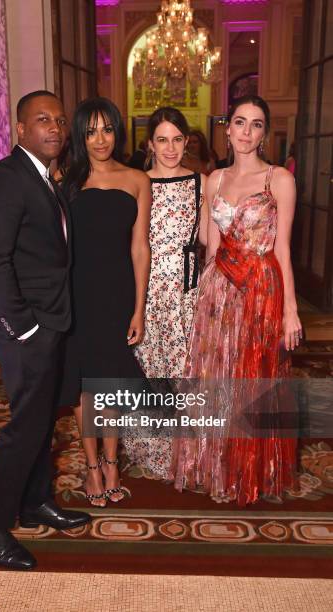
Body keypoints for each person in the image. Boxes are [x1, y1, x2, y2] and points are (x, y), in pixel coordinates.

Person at [0, 90, 91, 570]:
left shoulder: (44, 178)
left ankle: (34, 500)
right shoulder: (3, 179)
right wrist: (22, 327)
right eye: (43, 120)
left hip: (51, 318)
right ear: (20, 128)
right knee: (25, 427)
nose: (56, 129)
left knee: (43, 421)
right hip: (23, 325)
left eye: (60, 121)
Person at [170, 95, 301, 506]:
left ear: (264, 132)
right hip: (218, 287)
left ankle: (251, 469)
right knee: (217, 374)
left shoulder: (278, 179)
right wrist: (201, 298)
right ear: (227, 128)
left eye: (256, 124)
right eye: (240, 123)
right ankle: (218, 464)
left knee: (252, 378)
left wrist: (291, 311)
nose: (246, 132)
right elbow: (210, 245)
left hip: (261, 287)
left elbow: (283, 251)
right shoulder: (215, 180)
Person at [60, 97, 151, 507]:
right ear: (80, 134)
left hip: (117, 294)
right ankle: (92, 465)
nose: (100, 139)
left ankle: (113, 462)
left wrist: (138, 308)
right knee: (83, 388)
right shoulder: (64, 178)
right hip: (76, 295)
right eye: (91, 130)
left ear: (118, 131)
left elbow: (140, 248)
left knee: (110, 384)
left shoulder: (136, 179)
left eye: (108, 129)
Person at [122, 107, 207, 477]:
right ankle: (151, 448)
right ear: (149, 144)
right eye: (162, 140)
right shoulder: (136, 182)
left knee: (186, 369)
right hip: (147, 289)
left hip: (189, 292)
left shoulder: (202, 182)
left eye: (177, 139)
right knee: (149, 367)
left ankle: (188, 451)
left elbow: (209, 239)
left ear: (186, 142)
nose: (170, 148)